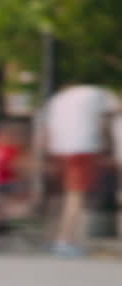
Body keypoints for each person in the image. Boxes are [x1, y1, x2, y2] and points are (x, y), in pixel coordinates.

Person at [45, 80, 120, 257]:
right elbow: (115, 111)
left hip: (59, 149)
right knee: (76, 196)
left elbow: (48, 129)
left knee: (63, 195)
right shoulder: (99, 92)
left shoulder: (58, 99)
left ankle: (54, 236)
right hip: (83, 147)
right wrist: (109, 144)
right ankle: (65, 240)